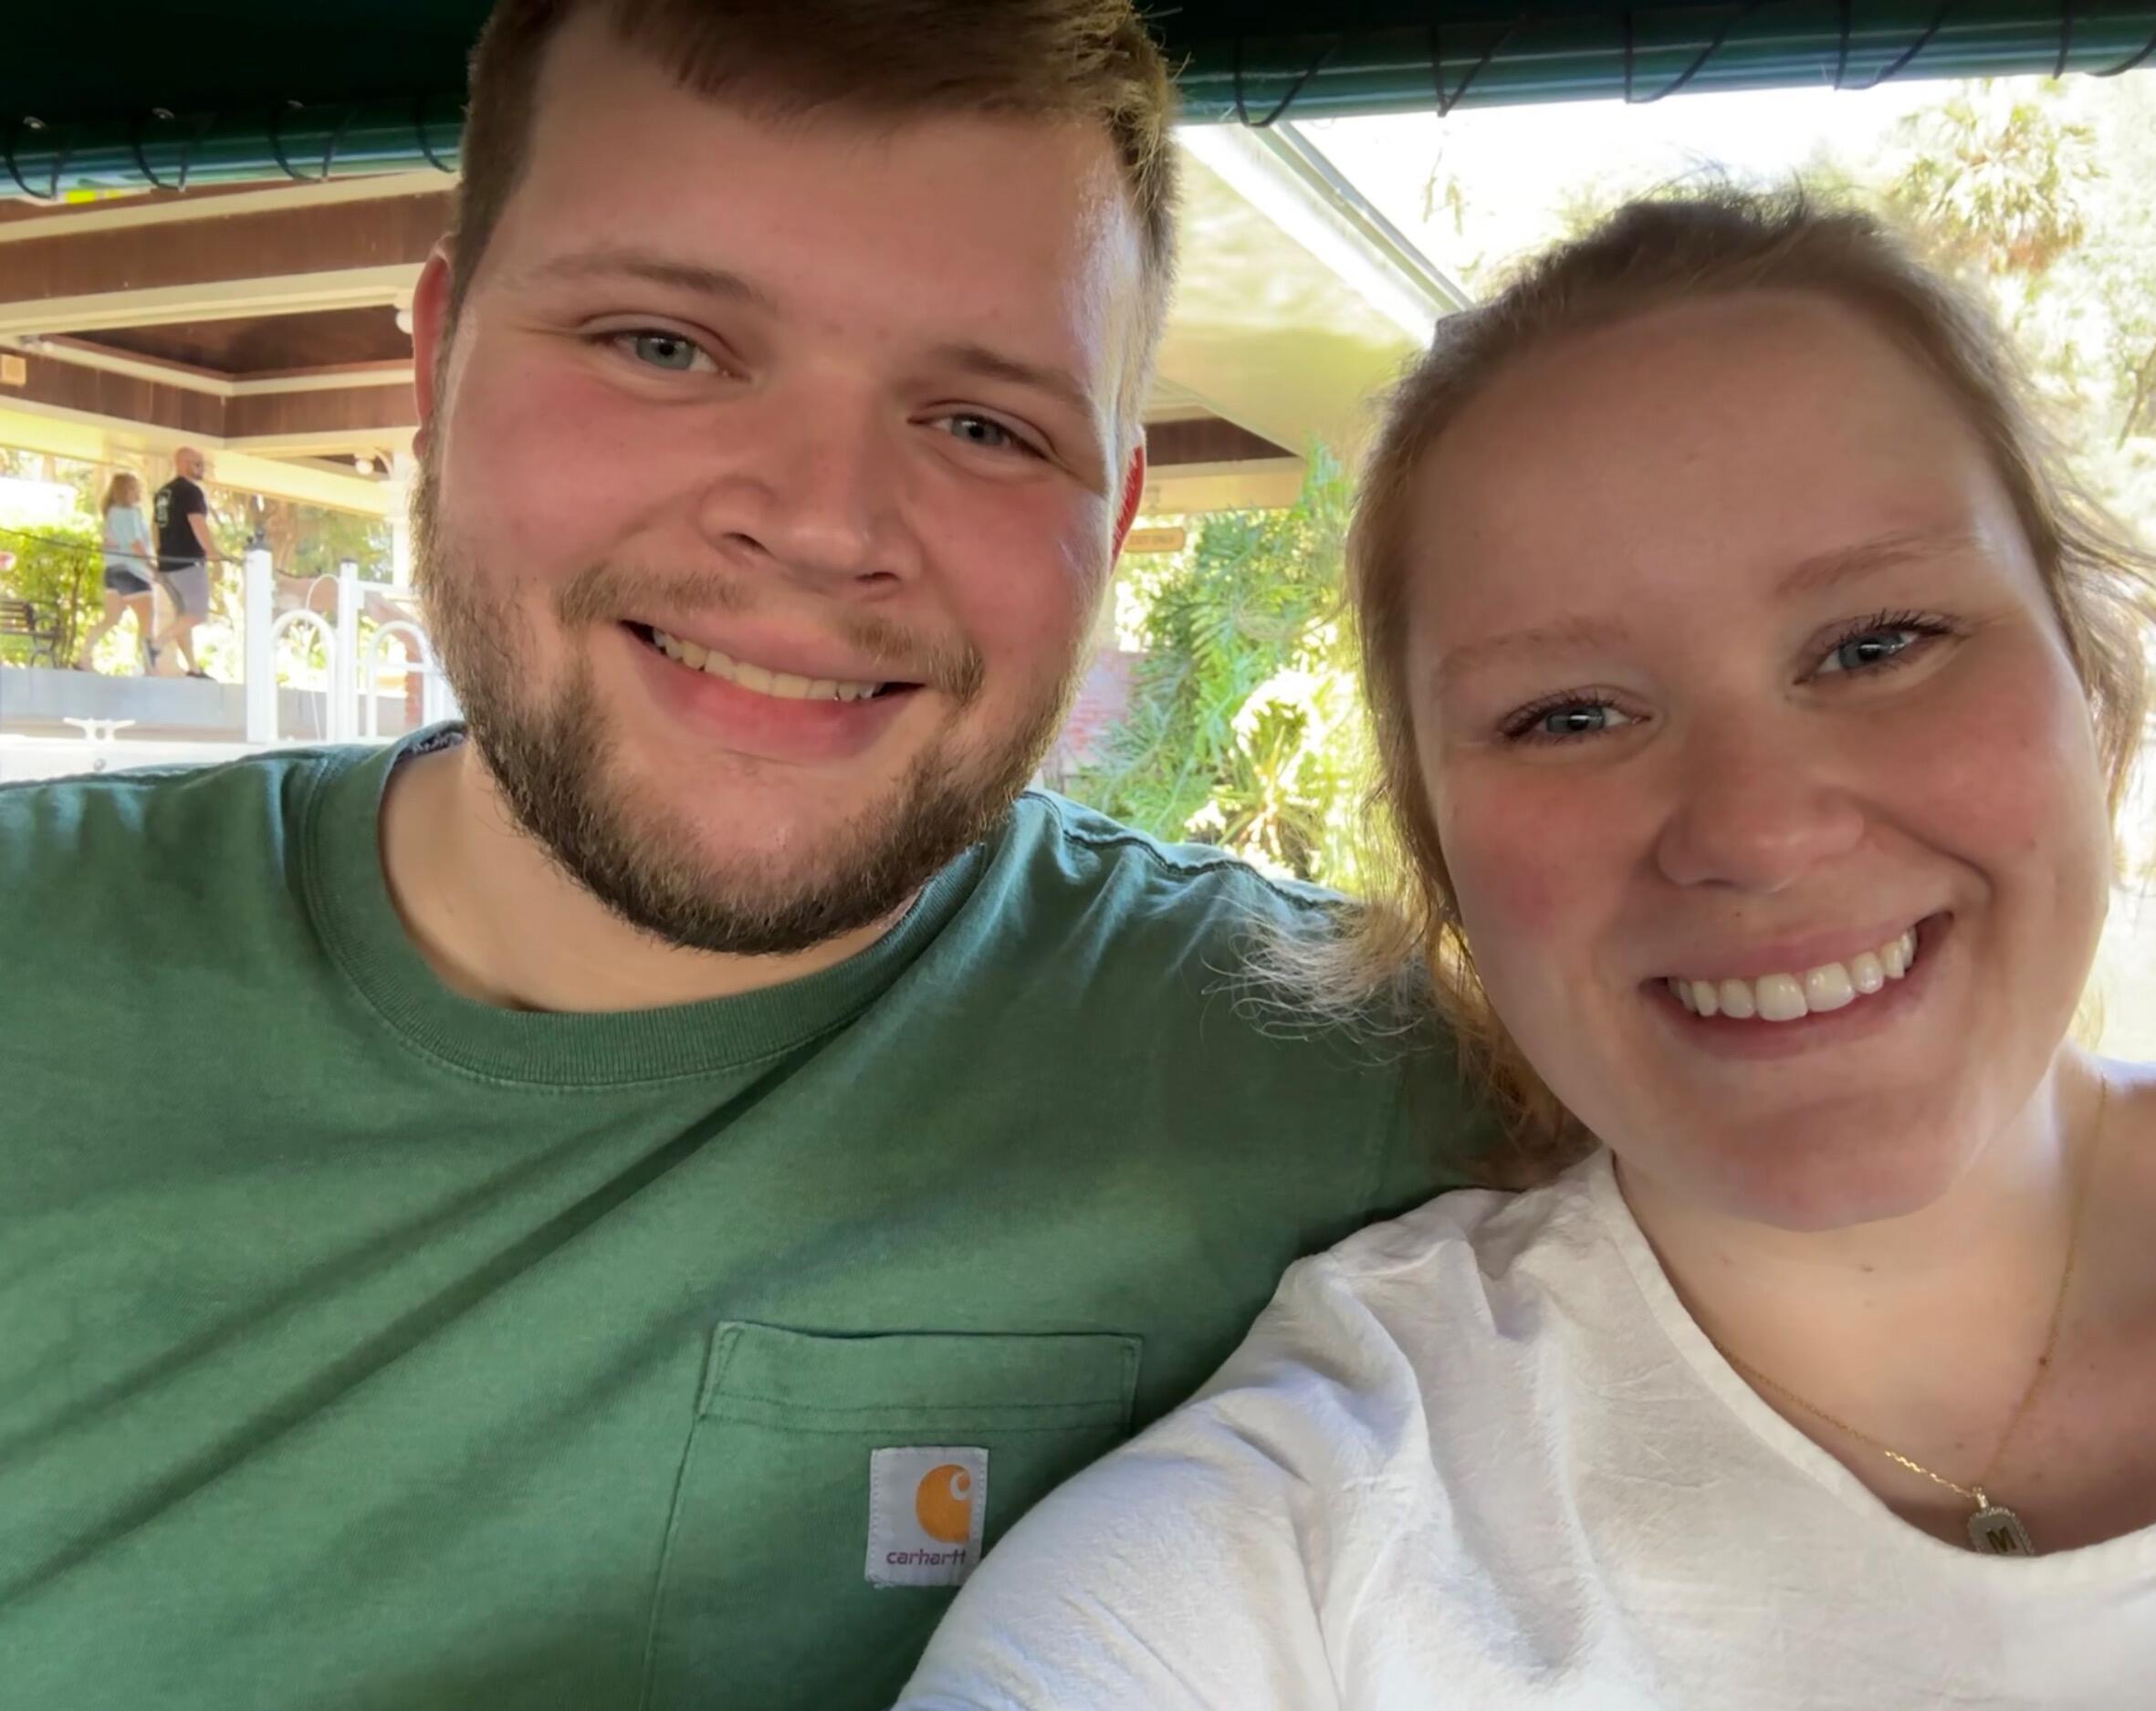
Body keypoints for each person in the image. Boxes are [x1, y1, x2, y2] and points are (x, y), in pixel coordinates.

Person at [0, 5, 1491, 1709]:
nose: (822, 520)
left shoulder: (1336, 1074)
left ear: (1117, 517)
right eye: (660, 344)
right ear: (436, 370)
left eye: (988, 426)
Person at [898, 189, 2156, 1709]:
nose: (1754, 831)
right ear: (1437, 855)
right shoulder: (1296, 1540)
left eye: (1878, 643)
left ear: (2087, 671)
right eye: (1567, 716)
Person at [73, 470, 158, 673]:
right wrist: (153, 568)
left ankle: (83, 656)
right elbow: (136, 544)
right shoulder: (130, 513)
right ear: (125, 491)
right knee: (147, 620)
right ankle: (148, 667)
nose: (139, 493)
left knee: (111, 619)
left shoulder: (111, 514)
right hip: (133, 572)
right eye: (135, 489)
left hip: (112, 572)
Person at [151, 443, 216, 677]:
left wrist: (159, 556)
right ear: (184, 464)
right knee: (197, 613)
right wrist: (213, 553)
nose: (202, 469)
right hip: (187, 562)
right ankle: (156, 645)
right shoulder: (190, 492)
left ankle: (193, 668)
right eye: (198, 464)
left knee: (183, 616)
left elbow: (156, 527)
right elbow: (196, 522)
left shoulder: (163, 493)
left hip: (167, 564)